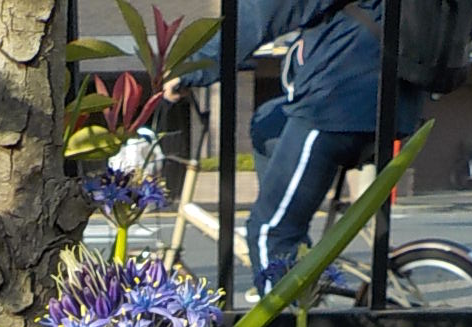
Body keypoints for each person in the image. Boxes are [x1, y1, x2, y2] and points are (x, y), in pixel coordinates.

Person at [166, 0, 423, 288]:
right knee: (268, 122)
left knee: (268, 232)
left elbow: (264, 11)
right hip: (398, 107)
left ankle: (284, 325)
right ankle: (297, 250)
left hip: (336, 104)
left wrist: (191, 69)